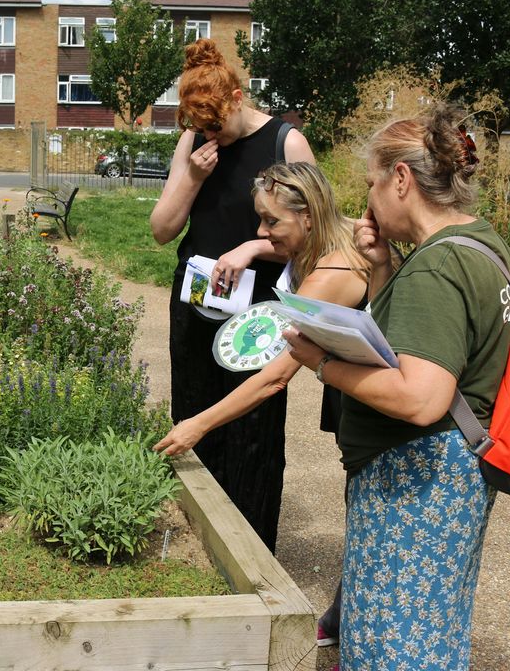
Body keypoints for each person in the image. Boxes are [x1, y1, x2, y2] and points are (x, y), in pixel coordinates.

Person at [285, 103, 510, 671]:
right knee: (433, 633)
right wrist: (384, 269)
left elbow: (421, 397)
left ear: (402, 179)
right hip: (454, 482)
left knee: (396, 647)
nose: (367, 202)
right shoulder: (482, 245)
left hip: (416, 489)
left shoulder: (437, 271)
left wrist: (320, 362)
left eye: (372, 184)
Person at [153, 161, 367, 650]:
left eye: (271, 222)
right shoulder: (327, 238)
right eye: (259, 220)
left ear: (308, 216)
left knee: (369, 501)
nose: (261, 230)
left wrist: (197, 425)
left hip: (379, 391)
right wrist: (254, 245)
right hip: (352, 383)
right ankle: (344, 613)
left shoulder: (334, 268)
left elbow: (274, 378)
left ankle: (353, 626)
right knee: (362, 499)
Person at [150, 38, 313, 552]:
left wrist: (253, 246)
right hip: (198, 303)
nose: (208, 135)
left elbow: (315, 234)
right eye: (199, 128)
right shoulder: (193, 143)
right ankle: (202, 541)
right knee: (195, 411)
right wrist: (194, 176)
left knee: (252, 427)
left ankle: (251, 552)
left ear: (238, 97)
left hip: (261, 308)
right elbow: (161, 229)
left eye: (215, 125)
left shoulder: (286, 143)